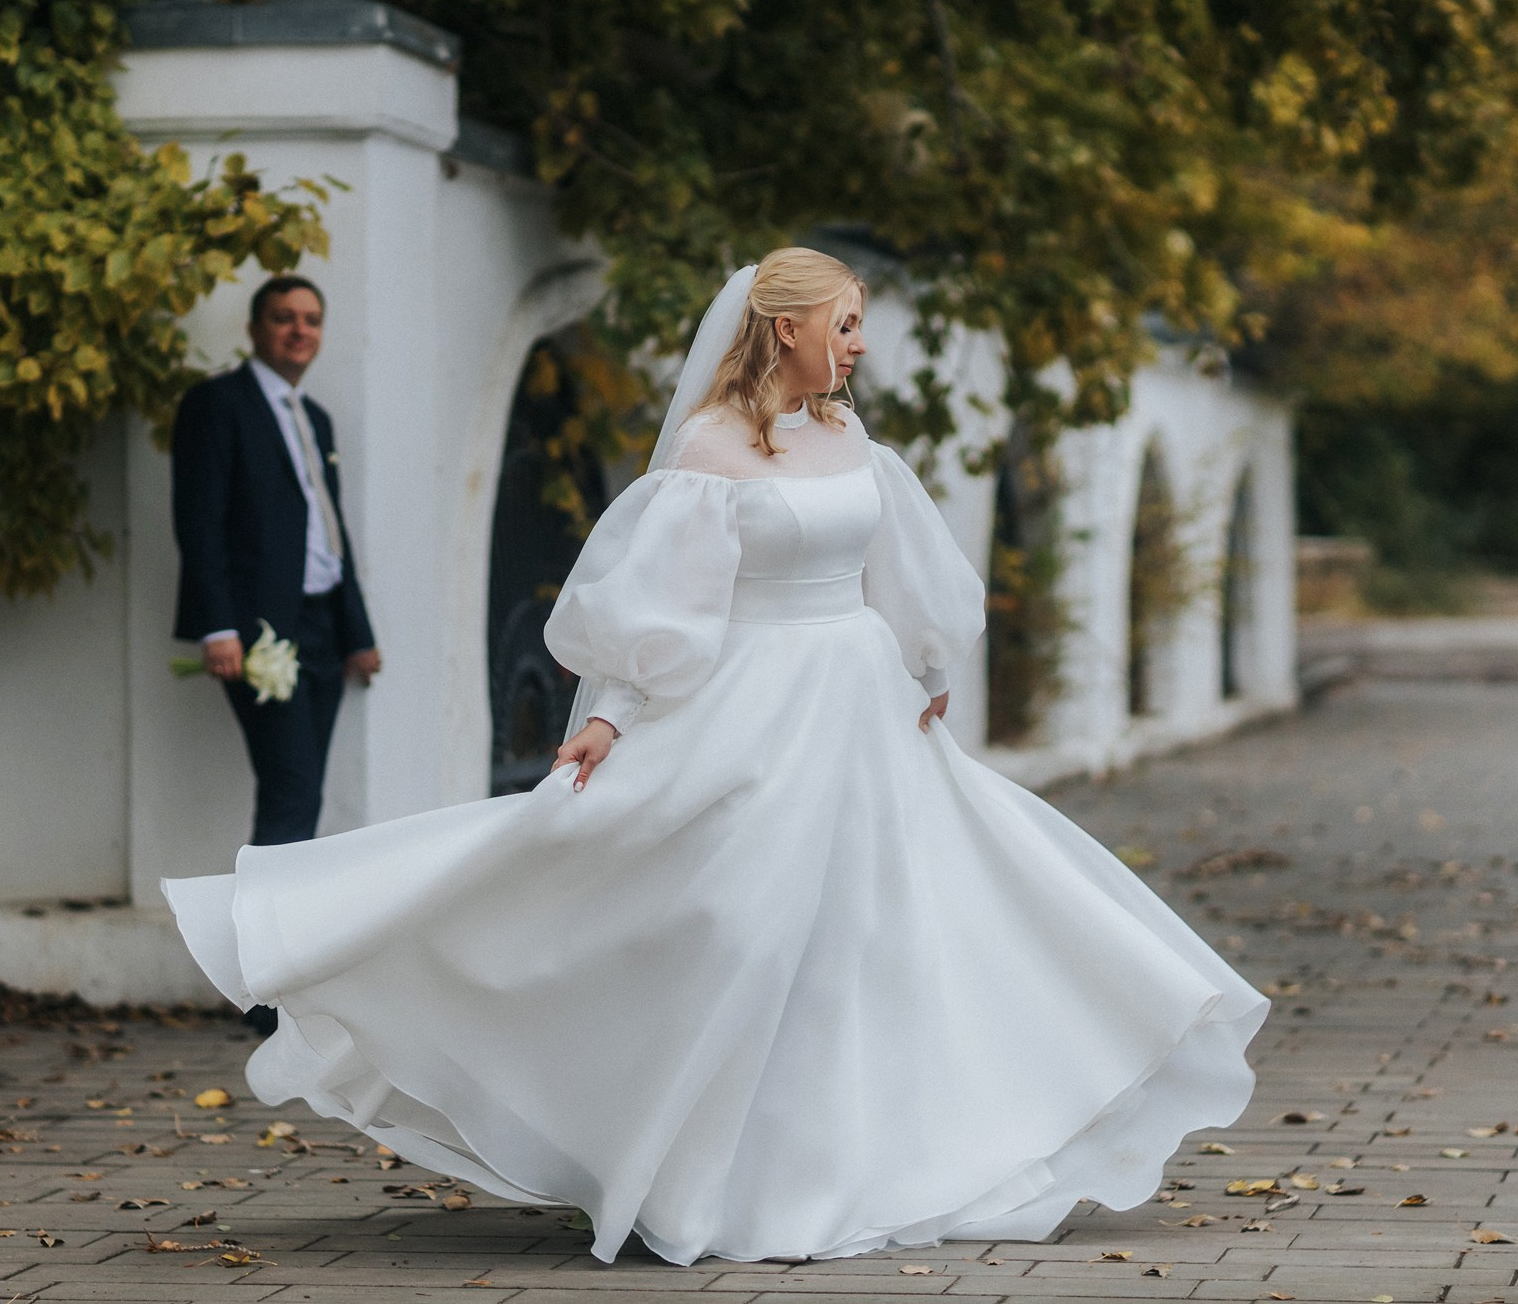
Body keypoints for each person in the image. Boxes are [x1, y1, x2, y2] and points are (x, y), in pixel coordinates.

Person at [163, 248, 1268, 1265]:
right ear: (781, 327)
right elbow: (666, 605)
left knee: (884, 931)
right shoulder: (708, 450)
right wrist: (613, 713)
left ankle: (869, 1161)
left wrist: (927, 661)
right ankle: (703, 1171)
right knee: (737, 928)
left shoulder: (852, 440)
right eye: (843, 322)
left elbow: (904, 562)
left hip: (862, 711)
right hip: (751, 709)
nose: (858, 342)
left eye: (859, 323)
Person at [170, 274, 382, 847]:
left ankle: (282, 922)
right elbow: (199, 521)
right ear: (255, 329)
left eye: (311, 320)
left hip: (325, 633)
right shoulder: (216, 405)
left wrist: (357, 635)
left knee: (304, 789)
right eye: (285, 317)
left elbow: (330, 528)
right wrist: (218, 628)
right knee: (291, 789)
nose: (300, 330)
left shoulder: (315, 418)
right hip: (259, 629)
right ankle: (264, 932)